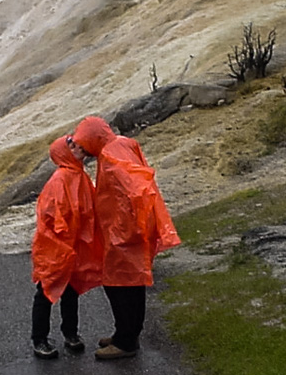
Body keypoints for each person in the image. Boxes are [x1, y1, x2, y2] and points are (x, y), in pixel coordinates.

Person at [70, 116, 181, 360]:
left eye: (83, 143)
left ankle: (126, 341)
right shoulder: (121, 143)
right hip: (129, 227)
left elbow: (133, 191)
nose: (83, 149)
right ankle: (125, 334)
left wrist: (126, 228)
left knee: (120, 285)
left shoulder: (110, 157)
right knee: (130, 282)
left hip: (124, 231)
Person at [30, 135, 102, 359]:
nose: (77, 147)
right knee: (46, 291)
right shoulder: (59, 179)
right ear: (63, 152)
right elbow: (50, 215)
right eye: (71, 145)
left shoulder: (79, 175)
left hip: (73, 244)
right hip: (54, 245)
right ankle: (39, 338)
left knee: (71, 290)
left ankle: (70, 333)